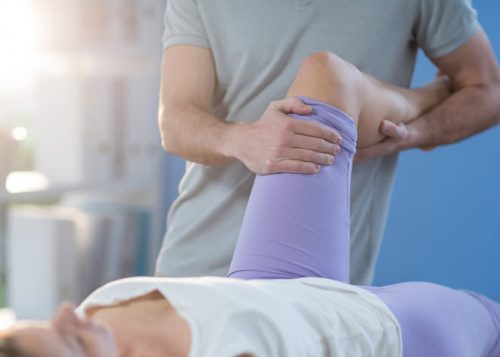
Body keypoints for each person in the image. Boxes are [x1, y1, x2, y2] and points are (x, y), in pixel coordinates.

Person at [1, 52, 500, 357]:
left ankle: (427, 99)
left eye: (48, 324)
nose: (69, 312)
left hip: (272, 278)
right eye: (71, 341)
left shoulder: (97, 322)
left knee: (325, 76)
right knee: (489, 322)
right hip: (368, 329)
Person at [155, 0, 500, 285]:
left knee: (332, 76)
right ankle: (416, 99)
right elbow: (176, 119)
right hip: (190, 270)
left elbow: (489, 90)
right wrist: (243, 139)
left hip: (314, 282)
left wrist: (415, 133)